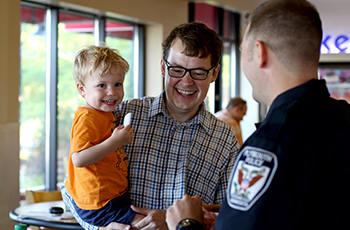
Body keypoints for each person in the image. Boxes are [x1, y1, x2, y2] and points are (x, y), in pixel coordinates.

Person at [166, 0, 350, 229]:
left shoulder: (271, 144)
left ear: (259, 52)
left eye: (243, 50)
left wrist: (186, 224)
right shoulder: (343, 119)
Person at [61, 22, 240, 230]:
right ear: (163, 67)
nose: (186, 81)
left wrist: (184, 223)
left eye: (198, 72)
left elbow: (231, 218)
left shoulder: (225, 140)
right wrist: (101, 228)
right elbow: (71, 190)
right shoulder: (120, 115)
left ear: (214, 74)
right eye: (177, 69)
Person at [64, 45, 145, 227]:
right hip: (100, 203)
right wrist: (115, 141)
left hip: (113, 197)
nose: (112, 92)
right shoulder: (87, 118)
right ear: (82, 89)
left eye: (118, 84)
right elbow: (78, 159)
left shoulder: (103, 114)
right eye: (102, 85)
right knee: (147, 225)